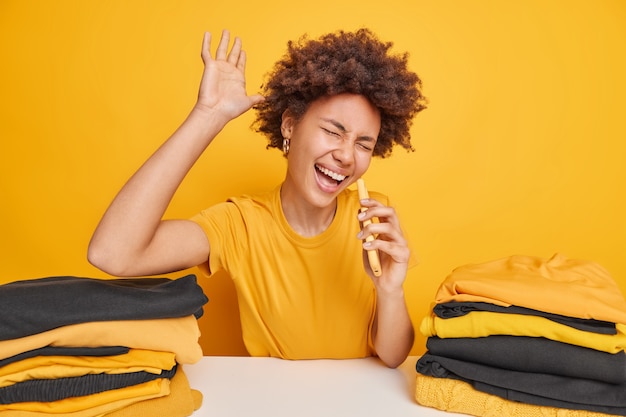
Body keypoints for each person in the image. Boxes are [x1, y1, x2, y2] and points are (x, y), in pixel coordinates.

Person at [88, 28, 427, 368]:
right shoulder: (239, 225)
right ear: (290, 126)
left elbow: (394, 357)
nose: (347, 156)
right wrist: (208, 115)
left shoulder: (372, 223)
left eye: (364, 144)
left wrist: (390, 289)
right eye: (332, 132)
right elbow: (114, 254)